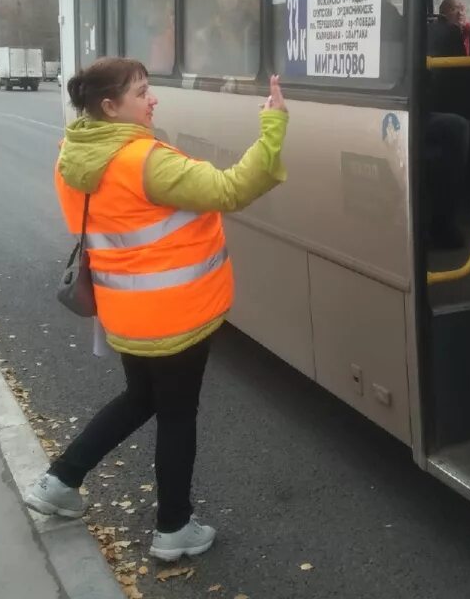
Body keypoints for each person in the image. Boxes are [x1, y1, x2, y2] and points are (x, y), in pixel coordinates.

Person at [26, 57, 288, 562]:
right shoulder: (144, 161)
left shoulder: (73, 156)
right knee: (176, 415)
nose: (153, 99)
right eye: (142, 91)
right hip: (176, 315)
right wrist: (273, 126)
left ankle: (61, 481)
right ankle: (173, 527)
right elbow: (231, 188)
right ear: (110, 106)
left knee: (140, 398)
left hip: (125, 312)